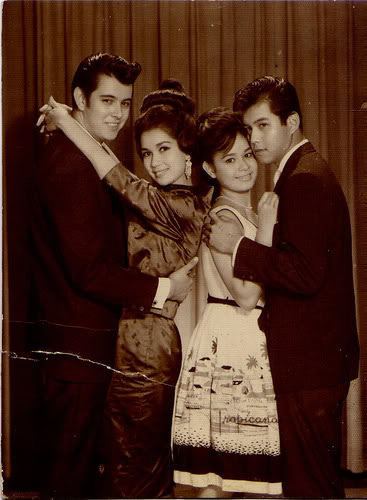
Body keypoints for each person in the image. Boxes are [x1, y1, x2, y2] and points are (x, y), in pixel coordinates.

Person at [32, 55, 197, 499]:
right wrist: (166, 288)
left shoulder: (79, 156)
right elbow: (88, 271)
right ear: (79, 99)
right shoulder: (69, 167)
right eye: (107, 101)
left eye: (124, 103)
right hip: (78, 352)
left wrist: (65, 123)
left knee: (91, 477)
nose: (117, 114)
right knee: (75, 480)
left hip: (93, 351)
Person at [204, 76, 360, 498]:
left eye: (262, 126)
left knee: (311, 486)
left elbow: (307, 274)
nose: (253, 140)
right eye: (249, 128)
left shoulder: (304, 178)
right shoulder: (302, 172)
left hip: (309, 362)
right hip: (316, 361)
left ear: (291, 122)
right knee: (314, 482)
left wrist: (237, 246)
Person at [173, 107, 282, 498]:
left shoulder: (242, 210)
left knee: (234, 479)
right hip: (232, 340)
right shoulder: (224, 216)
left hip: (246, 339)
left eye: (247, 155)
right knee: (223, 482)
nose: (243, 167)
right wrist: (267, 228)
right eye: (229, 160)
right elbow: (247, 294)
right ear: (210, 167)